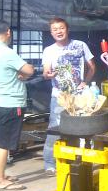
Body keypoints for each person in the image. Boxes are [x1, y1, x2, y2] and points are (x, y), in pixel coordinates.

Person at [41, 18, 96, 175]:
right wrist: (48, 74)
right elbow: (46, 72)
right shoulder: (49, 50)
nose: (59, 31)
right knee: (55, 129)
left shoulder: (81, 45)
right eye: (55, 29)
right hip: (59, 96)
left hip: (80, 96)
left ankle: (82, 160)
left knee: (83, 127)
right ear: (51, 33)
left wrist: (85, 82)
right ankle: (50, 163)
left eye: (61, 28)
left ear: (67, 29)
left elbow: (92, 66)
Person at [0, 19, 34, 190]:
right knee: (4, 143)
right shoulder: (6, 52)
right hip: (11, 102)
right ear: (8, 32)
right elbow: (28, 70)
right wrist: (27, 69)